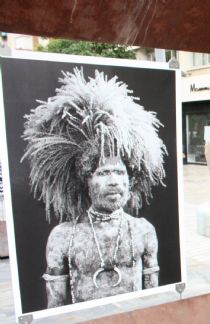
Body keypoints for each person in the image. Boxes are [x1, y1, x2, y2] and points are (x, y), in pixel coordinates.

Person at [22, 68, 166, 308]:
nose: (115, 182)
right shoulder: (63, 236)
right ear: (86, 180)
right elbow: (55, 307)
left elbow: (154, 298)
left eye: (120, 173)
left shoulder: (143, 231)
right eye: (104, 173)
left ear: (131, 179)